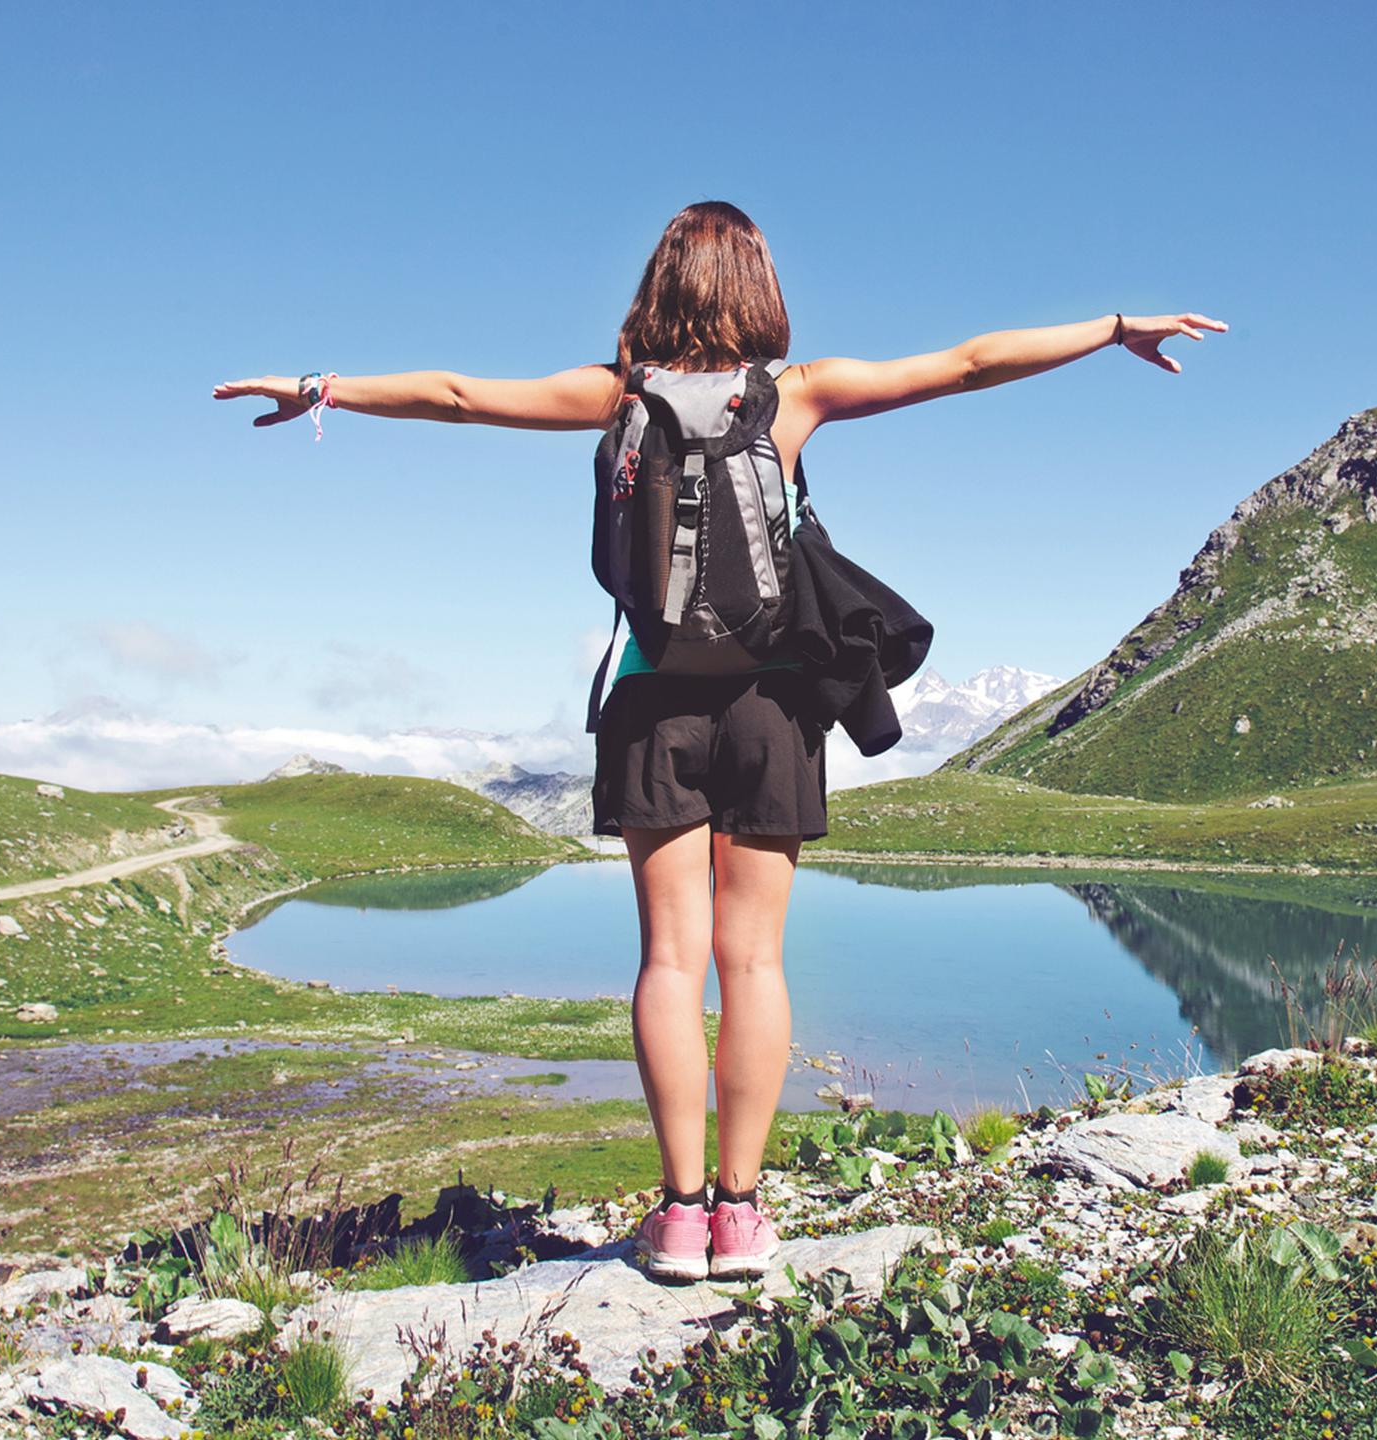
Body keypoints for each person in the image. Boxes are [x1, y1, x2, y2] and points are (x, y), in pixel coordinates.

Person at [213, 200, 1226, 1284]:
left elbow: (457, 397)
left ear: (659, 286)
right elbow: (973, 363)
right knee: (754, 962)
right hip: (773, 707)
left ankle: (679, 1215)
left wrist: (320, 390)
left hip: (653, 706)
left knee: (669, 961)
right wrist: (1114, 327)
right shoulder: (796, 398)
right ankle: (744, 1215)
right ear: (757, 286)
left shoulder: (614, 399)